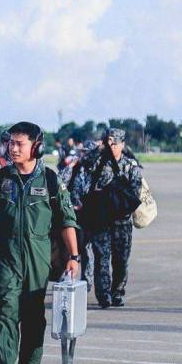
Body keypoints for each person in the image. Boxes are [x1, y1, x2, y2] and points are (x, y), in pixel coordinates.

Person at [0, 121, 80, 364]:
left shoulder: (51, 179)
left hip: (38, 255)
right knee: (6, 310)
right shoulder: (1, 178)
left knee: (33, 313)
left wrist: (74, 256)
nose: (13, 148)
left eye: (20, 144)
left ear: (37, 147)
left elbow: (67, 220)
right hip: (7, 254)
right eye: (11, 143)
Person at [70, 129, 142, 308]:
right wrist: (100, 148)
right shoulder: (98, 163)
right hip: (100, 220)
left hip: (122, 221)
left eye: (115, 143)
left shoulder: (130, 166)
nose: (112, 146)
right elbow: (84, 162)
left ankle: (117, 292)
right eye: (109, 142)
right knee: (101, 258)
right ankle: (104, 296)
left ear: (122, 144)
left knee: (121, 260)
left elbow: (135, 192)